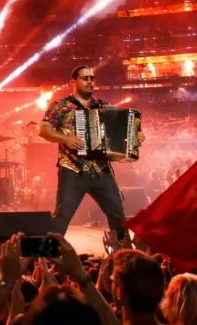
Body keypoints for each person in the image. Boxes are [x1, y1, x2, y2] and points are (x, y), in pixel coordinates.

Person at [38, 65, 142, 240]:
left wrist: (136, 137)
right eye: (85, 78)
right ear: (74, 81)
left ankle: (124, 250)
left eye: (92, 78)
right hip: (72, 169)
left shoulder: (103, 106)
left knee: (117, 212)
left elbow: (124, 133)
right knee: (62, 215)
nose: (90, 82)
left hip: (101, 170)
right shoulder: (61, 106)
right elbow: (43, 130)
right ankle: (48, 252)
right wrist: (66, 139)